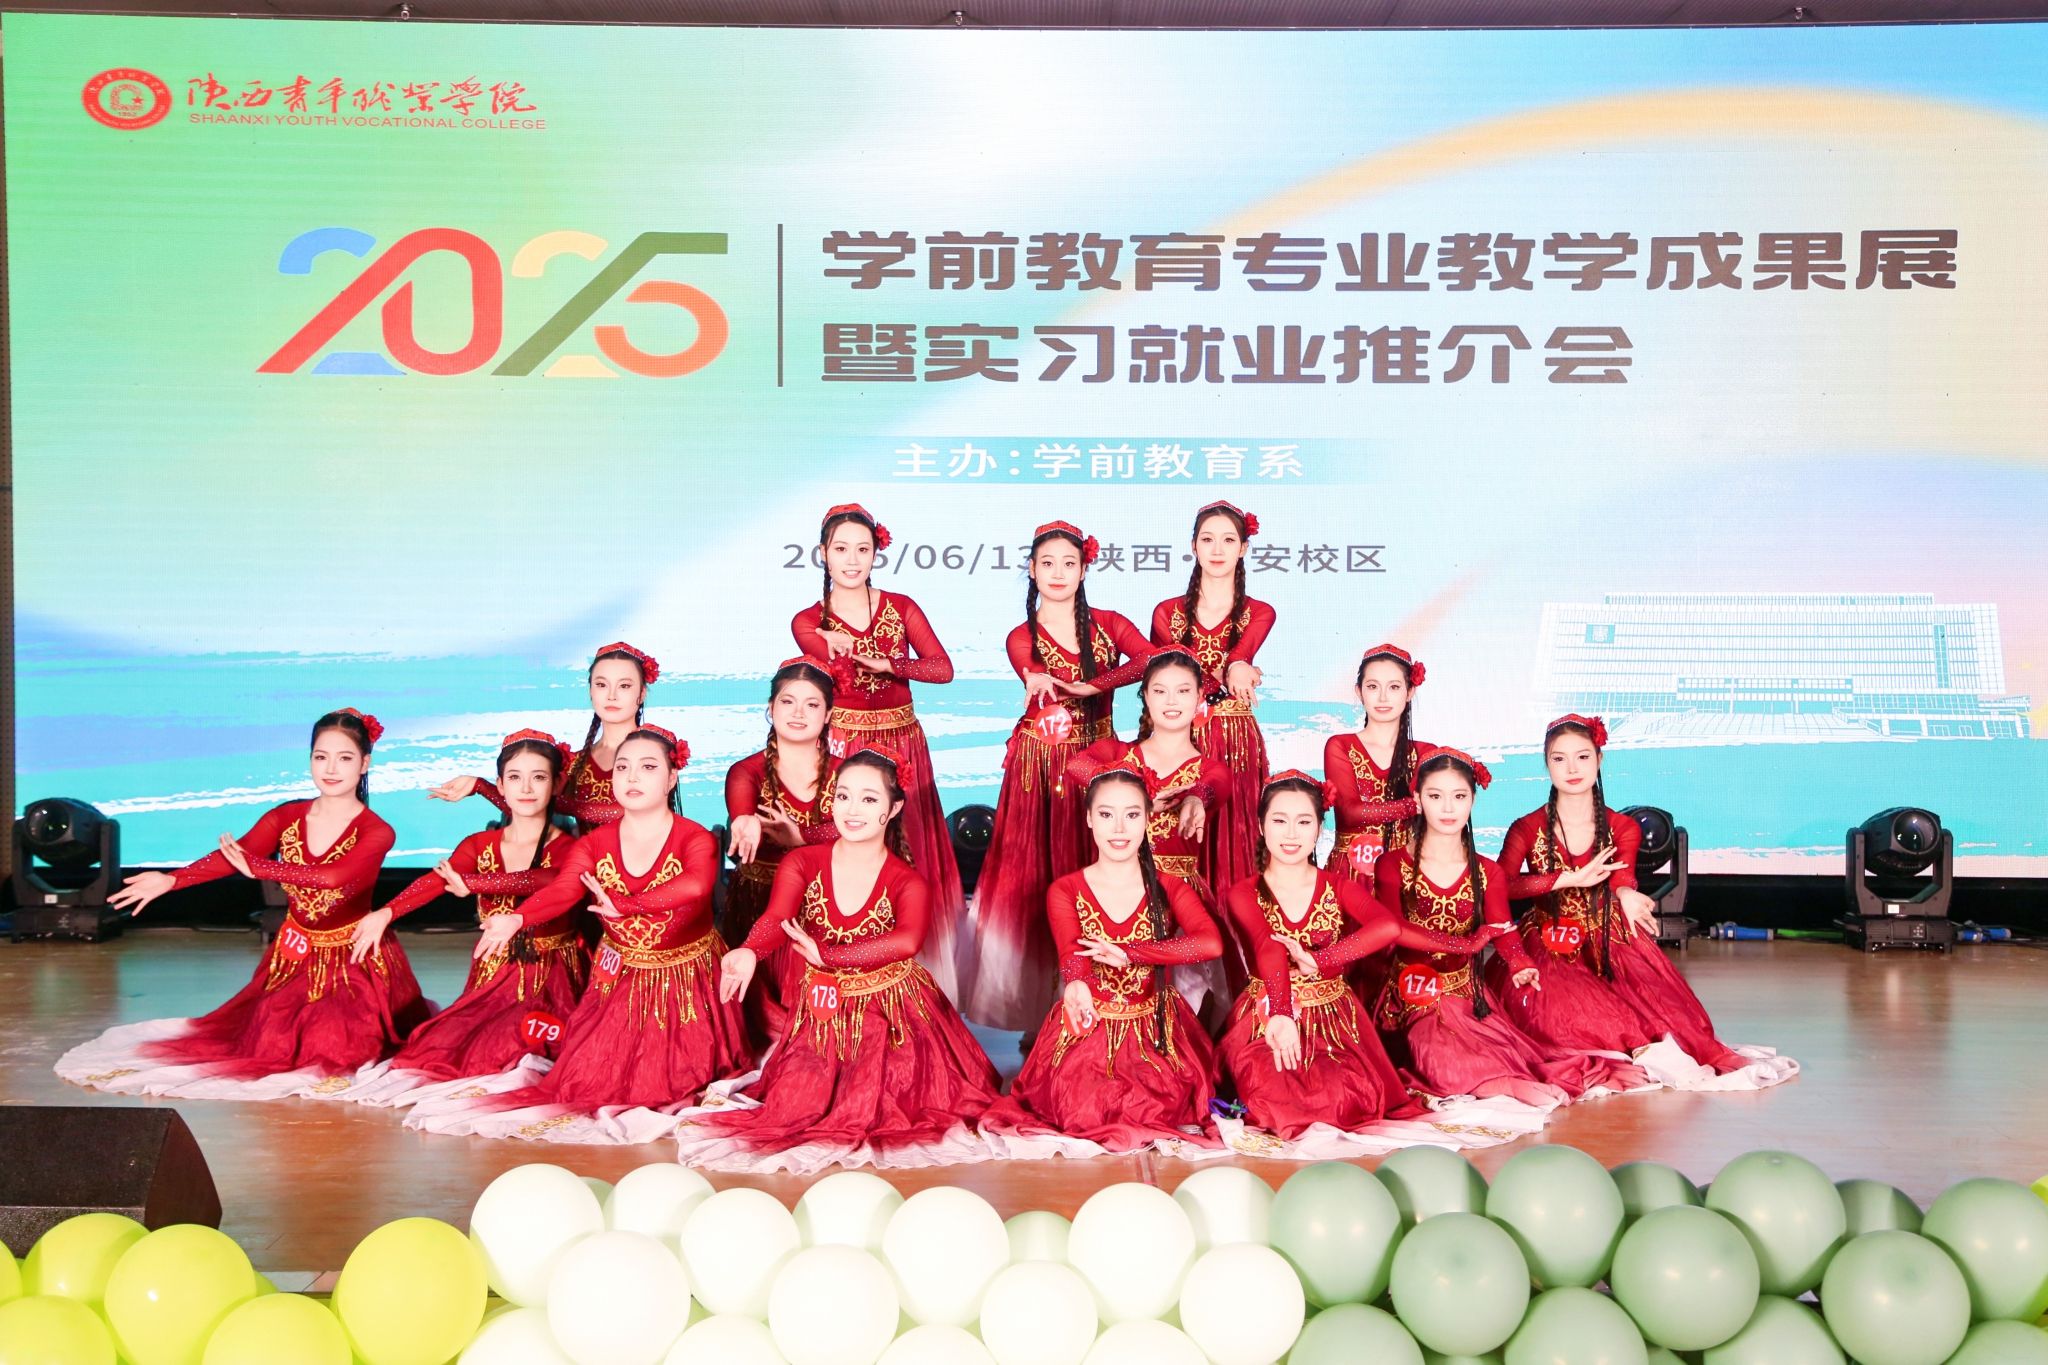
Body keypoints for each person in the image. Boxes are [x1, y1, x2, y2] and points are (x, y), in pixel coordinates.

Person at [58, 709, 431, 1099]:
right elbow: (234, 856)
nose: (331, 769)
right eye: (321, 757)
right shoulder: (286, 816)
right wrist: (172, 880)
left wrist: (259, 868)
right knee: (269, 1046)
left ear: (364, 764)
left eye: (345, 758)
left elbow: (333, 876)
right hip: (296, 953)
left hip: (354, 957)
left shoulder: (377, 830)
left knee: (339, 1050)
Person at [406, 725, 751, 1144]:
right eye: (622, 768)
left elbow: (696, 885)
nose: (632, 777)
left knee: (672, 1081)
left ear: (671, 778)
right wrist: (517, 919)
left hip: (684, 983)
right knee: (592, 1078)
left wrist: (628, 905)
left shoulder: (694, 838)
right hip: (620, 978)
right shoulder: (595, 843)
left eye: (647, 767)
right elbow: (565, 889)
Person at [677, 749, 1002, 1172]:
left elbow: (906, 942)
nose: (852, 809)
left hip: (892, 1014)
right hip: (824, 1011)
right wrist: (748, 950)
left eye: (868, 799)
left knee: (895, 1105)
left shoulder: (908, 881)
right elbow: (777, 918)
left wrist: (830, 955)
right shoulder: (802, 861)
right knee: (799, 1104)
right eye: (843, 796)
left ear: (893, 809)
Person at [1493, 715, 1796, 1088]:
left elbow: (1623, 878)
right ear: (1547, 763)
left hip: (1610, 937)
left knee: (1670, 1020)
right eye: (1559, 759)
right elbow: (1501, 887)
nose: (1572, 769)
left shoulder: (1622, 827)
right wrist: (1568, 879)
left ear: (1599, 760)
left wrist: (1626, 895)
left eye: (1582, 757)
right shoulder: (1527, 827)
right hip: (1549, 941)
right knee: (1564, 1015)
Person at [1217, 771, 1499, 1142]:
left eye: (1304, 822)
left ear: (1319, 829)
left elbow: (1388, 926)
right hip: (1267, 1017)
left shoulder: (1338, 886)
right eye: (1280, 821)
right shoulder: (1244, 892)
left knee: (1341, 1100)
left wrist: (1320, 959)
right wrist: (1283, 1012)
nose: (1291, 834)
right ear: (1260, 825)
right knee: (1273, 1104)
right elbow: (1267, 945)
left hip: (1333, 1021)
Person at [1373, 748, 1647, 1108]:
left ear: (1472, 800)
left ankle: (1504, 1080)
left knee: (1503, 1051)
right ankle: (1499, 1085)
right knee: (1437, 1055)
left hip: (1466, 993)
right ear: (1418, 800)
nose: (1448, 808)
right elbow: (1393, 929)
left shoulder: (1487, 871)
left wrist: (1520, 963)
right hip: (1414, 991)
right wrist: (1465, 945)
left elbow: (1502, 928)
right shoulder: (1392, 864)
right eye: (1435, 797)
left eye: (1459, 797)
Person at [965, 520, 1155, 1030]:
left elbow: (1150, 659)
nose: (1057, 573)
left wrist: (1094, 687)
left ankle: (1101, 1001)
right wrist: (1039, 679)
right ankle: (1040, 1015)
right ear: (1031, 569)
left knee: (1093, 872)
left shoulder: (1109, 623)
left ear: (1084, 570)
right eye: (1047, 563)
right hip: (1039, 769)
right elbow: (1030, 669)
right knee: (1034, 881)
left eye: (1069, 563)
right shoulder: (1021, 635)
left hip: (1095, 765)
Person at [982, 762, 1225, 1156]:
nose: (1119, 829)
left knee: (1154, 1103)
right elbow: (1071, 954)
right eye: (1107, 815)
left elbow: (1210, 944)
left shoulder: (1169, 886)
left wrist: (1131, 953)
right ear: (1089, 819)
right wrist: (1076, 984)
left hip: (1154, 1029)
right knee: (1082, 1107)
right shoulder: (1066, 889)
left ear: (1147, 819)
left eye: (1132, 815)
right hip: (1090, 1025)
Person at [340, 729, 589, 1107]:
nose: (526, 788)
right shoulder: (478, 845)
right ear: (501, 787)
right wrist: (386, 913)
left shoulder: (571, 847)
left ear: (556, 784)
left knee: (514, 1047)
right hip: (491, 975)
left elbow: (546, 880)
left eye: (538, 777)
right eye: (515, 778)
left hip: (549, 977)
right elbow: (435, 881)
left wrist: (473, 883)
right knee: (439, 1045)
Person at [791, 504, 969, 999]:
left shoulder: (901, 606)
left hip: (902, 742)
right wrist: (836, 644)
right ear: (823, 554)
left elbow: (942, 668)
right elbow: (829, 660)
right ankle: (850, 970)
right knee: (852, 849)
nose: (852, 560)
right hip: (844, 747)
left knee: (913, 851)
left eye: (863, 550)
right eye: (841, 549)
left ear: (876, 554)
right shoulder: (808, 621)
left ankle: (921, 985)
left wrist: (890, 663)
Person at [1063, 648, 1236, 1003]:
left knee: (1185, 1003)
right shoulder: (1118, 754)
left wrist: (1194, 799)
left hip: (1177, 899)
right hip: (1117, 889)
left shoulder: (1210, 769)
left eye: (1183, 691)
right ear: (1144, 696)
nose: (1171, 701)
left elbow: (1213, 787)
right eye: (1160, 691)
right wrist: (1137, 795)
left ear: (1199, 697)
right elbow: (1076, 765)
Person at [1150, 500, 1276, 898]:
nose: (1217, 550)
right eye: (1207, 540)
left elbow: (1240, 655)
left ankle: (1237, 927)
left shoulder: (1259, 611)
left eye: (1228, 540)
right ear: (1194, 546)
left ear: (1243, 548)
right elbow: (1167, 675)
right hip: (1181, 737)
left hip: (1236, 739)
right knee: (1179, 835)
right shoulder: (1166, 612)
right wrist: (1228, 671)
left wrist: (1236, 665)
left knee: (1236, 835)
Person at [723, 658, 840, 1044]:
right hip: (758, 901)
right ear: (770, 709)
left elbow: (861, 834)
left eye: (812, 704)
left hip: (822, 904)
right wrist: (746, 821)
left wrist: (801, 838)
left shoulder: (848, 773)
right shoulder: (747, 772)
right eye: (788, 702)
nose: (798, 713)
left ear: (828, 715)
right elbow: (741, 811)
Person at [431, 641, 659, 832]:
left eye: (624, 686)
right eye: (601, 685)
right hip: (584, 869)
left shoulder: (657, 753)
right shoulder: (576, 763)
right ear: (591, 691)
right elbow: (529, 813)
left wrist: (559, 804)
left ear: (641, 693)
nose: (611, 695)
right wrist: (479, 786)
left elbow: (628, 813)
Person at [1322, 643, 1427, 885]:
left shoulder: (1424, 753)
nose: (1382, 697)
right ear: (1359, 691)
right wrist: (1411, 806)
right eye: (1372, 687)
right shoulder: (1340, 746)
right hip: (1351, 873)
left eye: (1394, 687)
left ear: (1410, 691)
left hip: (1405, 874)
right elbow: (1350, 813)